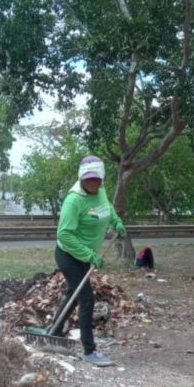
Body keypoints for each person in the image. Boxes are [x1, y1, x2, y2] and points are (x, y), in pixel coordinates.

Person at [54, 156, 126, 366]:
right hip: (69, 256)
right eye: (88, 179)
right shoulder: (74, 200)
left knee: (72, 294)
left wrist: (116, 222)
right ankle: (89, 350)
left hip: (84, 256)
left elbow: (107, 208)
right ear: (81, 178)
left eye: (96, 179)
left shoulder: (101, 191)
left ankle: (55, 332)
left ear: (102, 179)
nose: (92, 183)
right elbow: (65, 234)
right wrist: (89, 255)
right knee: (86, 299)